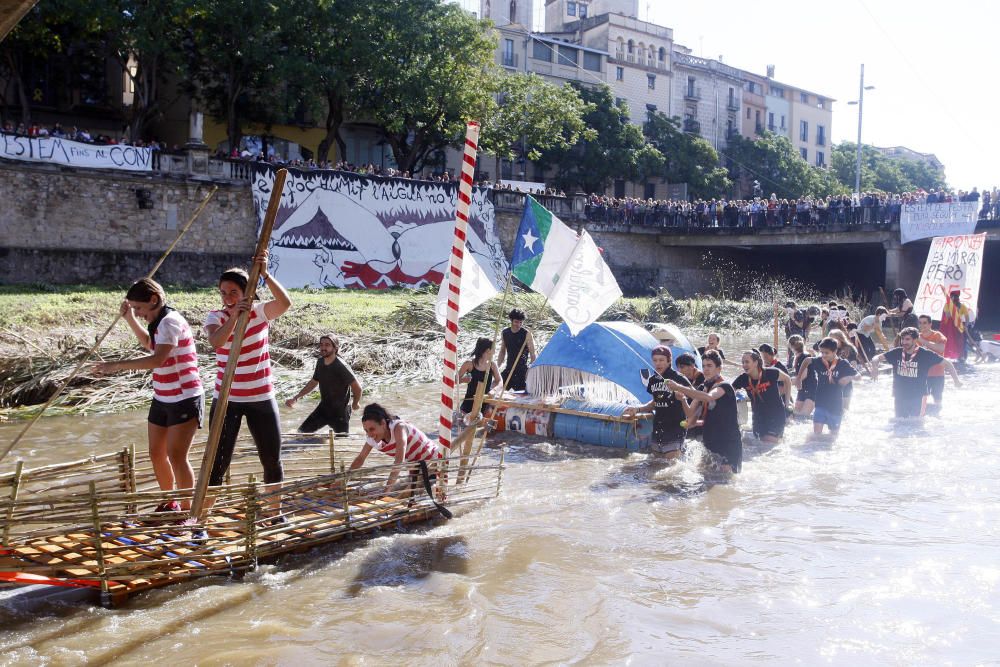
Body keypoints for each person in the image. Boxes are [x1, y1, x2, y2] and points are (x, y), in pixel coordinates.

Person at [94, 279, 203, 513]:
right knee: (156, 453)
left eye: (138, 309)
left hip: (184, 396)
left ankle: (187, 510)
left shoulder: (171, 321)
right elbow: (149, 344)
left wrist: (115, 366)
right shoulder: (158, 321)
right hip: (162, 396)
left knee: (177, 456)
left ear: (154, 300)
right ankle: (169, 501)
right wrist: (129, 319)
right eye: (134, 309)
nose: (138, 313)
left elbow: (157, 359)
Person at [203, 257, 291, 520]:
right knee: (217, 463)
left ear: (247, 292)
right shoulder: (215, 316)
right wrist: (234, 316)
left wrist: (265, 275)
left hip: (261, 397)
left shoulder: (261, 311)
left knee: (271, 459)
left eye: (234, 292)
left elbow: (285, 303)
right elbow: (216, 342)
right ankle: (201, 520)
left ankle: (275, 514)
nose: (228, 297)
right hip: (227, 399)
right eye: (223, 292)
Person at [351, 403, 448, 503]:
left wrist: (386, 492)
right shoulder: (372, 437)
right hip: (415, 468)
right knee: (399, 493)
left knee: (414, 498)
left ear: (383, 423)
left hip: (434, 463)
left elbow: (399, 460)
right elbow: (360, 459)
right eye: (366, 430)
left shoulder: (399, 427)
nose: (369, 434)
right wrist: (344, 481)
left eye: (372, 429)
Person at [666, 350, 742, 473]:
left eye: (710, 366)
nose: (706, 369)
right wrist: (683, 399)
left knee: (725, 481)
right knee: (706, 480)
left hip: (728, 442)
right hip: (710, 440)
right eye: (704, 366)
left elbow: (709, 397)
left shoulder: (724, 386)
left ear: (719, 368)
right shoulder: (703, 387)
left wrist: (679, 387)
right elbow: (690, 413)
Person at [869, 327, 961, 419]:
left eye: (907, 339)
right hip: (900, 395)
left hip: (918, 396)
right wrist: (875, 367)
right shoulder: (897, 352)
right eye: (902, 339)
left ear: (915, 340)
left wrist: (956, 381)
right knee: (899, 423)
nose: (904, 342)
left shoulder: (925, 354)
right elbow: (876, 358)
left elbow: (947, 363)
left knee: (916, 424)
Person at [624, 346, 691, 460]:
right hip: (658, 427)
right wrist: (638, 409)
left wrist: (683, 399)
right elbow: (655, 402)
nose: (658, 363)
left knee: (672, 466)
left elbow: (694, 395)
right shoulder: (653, 379)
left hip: (675, 427)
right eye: (655, 360)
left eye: (661, 360)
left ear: (669, 361)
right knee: (656, 464)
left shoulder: (678, 378)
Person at [286, 335, 362, 433]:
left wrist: (355, 403)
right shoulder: (320, 362)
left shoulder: (341, 366)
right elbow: (313, 382)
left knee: (342, 442)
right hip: (324, 408)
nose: (323, 348)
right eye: (321, 345)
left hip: (340, 412)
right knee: (301, 433)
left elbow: (357, 388)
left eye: (327, 345)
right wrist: (296, 398)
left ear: (335, 348)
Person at [798, 338, 857, 439]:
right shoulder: (819, 361)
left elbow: (858, 375)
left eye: (826, 353)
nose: (823, 355)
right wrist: (799, 378)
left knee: (832, 437)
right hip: (820, 403)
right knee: (816, 436)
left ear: (835, 351)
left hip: (836, 405)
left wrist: (848, 378)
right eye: (821, 352)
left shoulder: (843, 364)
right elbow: (807, 360)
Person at [731, 349, 792, 443]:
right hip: (758, 416)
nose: (744, 365)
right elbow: (729, 391)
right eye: (742, 362)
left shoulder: (770, 373)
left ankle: (783, 444)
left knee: (768, 440)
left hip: (776, 414)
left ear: (755, 363)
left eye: (747, 362)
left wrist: (787, 404)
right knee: (756, 442)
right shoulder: (742, 378)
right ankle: (781, 440)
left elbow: (787, 379)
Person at [459, 337, 502, 418]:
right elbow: (454, 380)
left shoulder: (492, 365)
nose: (494, 352)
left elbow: (500, 381)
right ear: (487, 350)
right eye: (494, 349)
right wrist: (463, 380)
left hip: (485, 402)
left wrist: (494, 390)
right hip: (469, 402)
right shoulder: (469, 364)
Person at [497, 309, 536, 392]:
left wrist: (531, 370)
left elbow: (533, 354)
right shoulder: (505, 332)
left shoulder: (527, 334)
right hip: (509, 368)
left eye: (520, 322)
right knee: (498, 391)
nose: (518, 324)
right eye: (516, 322)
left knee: (521, 395)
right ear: (511, 321)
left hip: (522, 370)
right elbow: (502, 351)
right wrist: (497, 367)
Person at [916, 315, 948, 414]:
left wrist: (923, 342)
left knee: (937, 402)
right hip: (922, 375)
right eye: (920, 323)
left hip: (937, 374)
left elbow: (941, 349)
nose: (922, 325)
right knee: (920, 402)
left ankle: (937, 423)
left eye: (925, 323)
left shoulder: (938, 335)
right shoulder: (915, 337)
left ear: (930, 324)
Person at [788, 335, 816, 418]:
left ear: (790, 346)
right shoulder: (799, 356)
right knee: (796, 416)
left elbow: (803, 375)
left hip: (811, 388)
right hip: (802, 389)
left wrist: (787, 381)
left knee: (803, 416)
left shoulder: (805, 356)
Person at [939, 290, 971, 362]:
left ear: (958, 297)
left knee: (960, 341)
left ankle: (961, 356)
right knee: (947, 341)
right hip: (948, 327)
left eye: (955, 296)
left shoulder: (962, 306)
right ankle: (945, 355)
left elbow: (967, 317)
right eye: (952, 296)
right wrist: (953, 308)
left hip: (958, 326)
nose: (953, 298)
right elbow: (948, 315)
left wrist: (966, 325)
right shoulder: (947, 305)